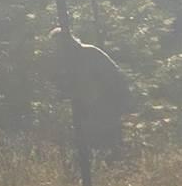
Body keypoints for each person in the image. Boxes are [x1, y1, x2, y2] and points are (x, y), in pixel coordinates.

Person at [47, 23, 133, 163]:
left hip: (105, 102)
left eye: (59, 45)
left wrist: (114, 100)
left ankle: (115, 164)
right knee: (93, 142)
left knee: (108, 139)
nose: (58, 49)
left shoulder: (90, 53)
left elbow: (113, 77)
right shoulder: (69, 60)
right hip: (90, 106)